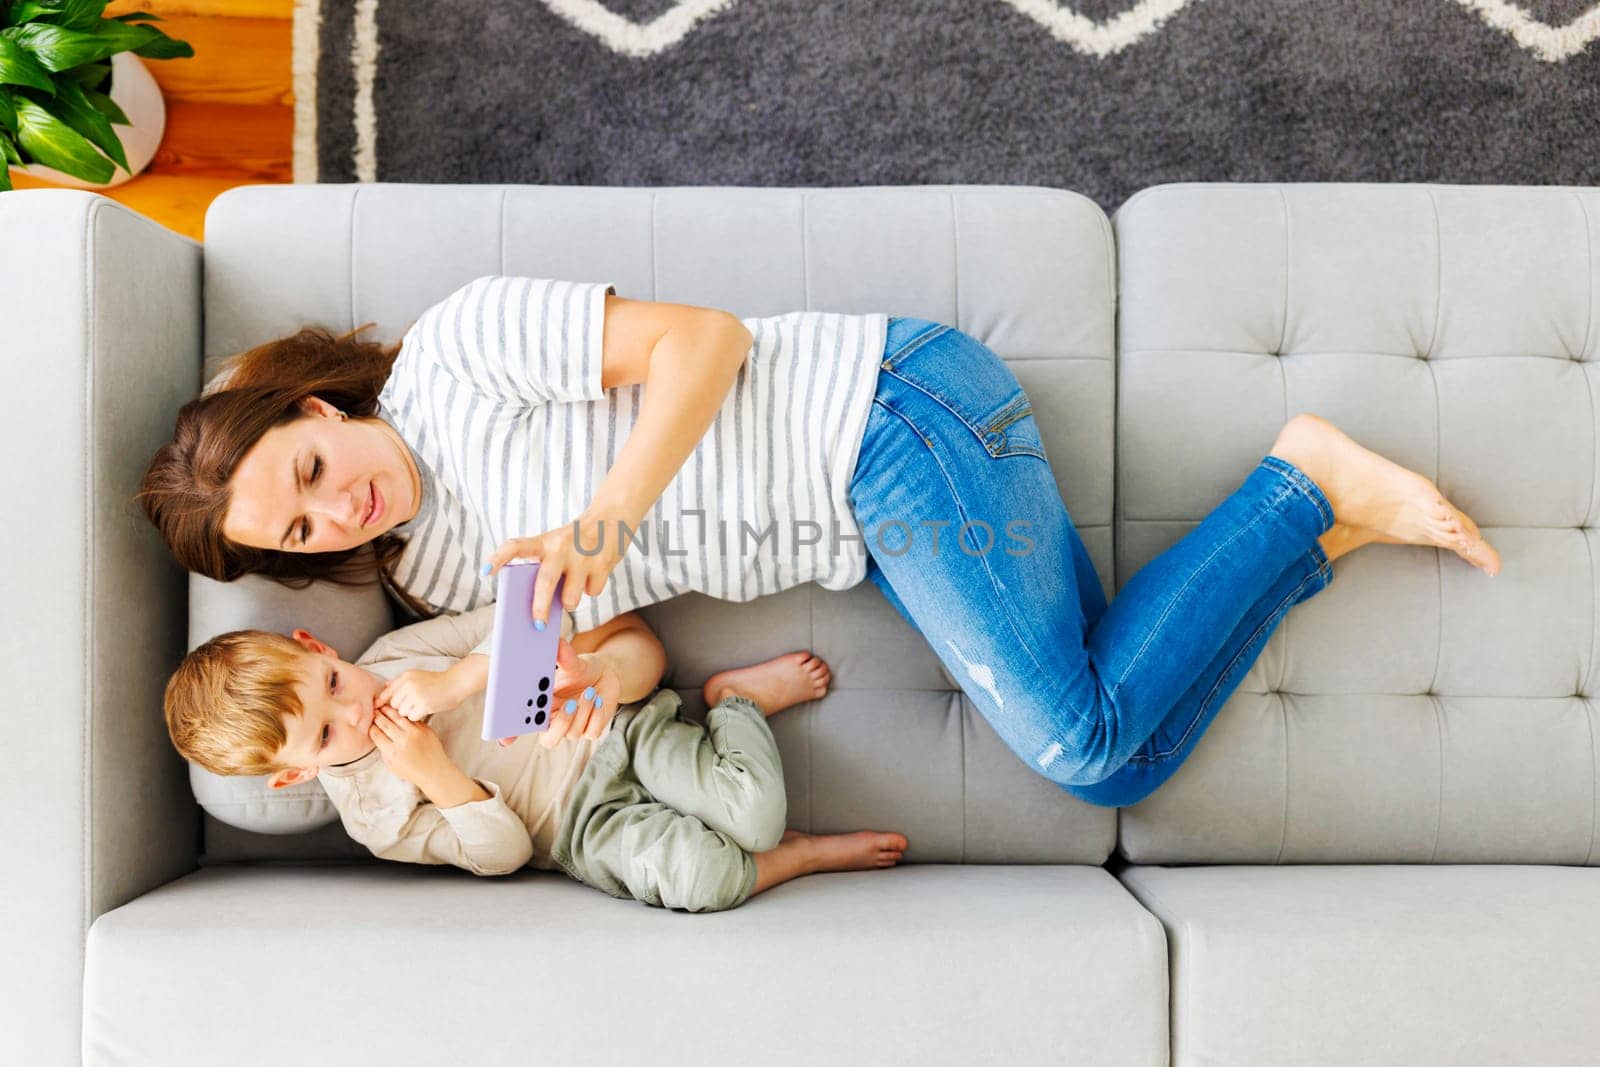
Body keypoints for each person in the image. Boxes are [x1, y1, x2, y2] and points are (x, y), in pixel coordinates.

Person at [138, 276, 1503, 806]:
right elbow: (623, 644)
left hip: (884, 417)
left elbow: (708, 342)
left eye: (311, 468)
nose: (340, 509)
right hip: (872, 517)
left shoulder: (455, 355)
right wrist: (561, 688)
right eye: (303, 531)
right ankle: (1317, 530)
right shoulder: (431, 575)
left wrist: (608, 513)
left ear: (315, 402)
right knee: (1115, 742)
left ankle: (1300, 487)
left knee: (1086, 748)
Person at [163, 601, 908, 911]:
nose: (356, 708)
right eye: (326, 733)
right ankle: (801, 857)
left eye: (332, 682)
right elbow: (504, 856)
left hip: (615, 729)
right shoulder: (374, 816)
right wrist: (439, 778)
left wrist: (457, 680)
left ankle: (735, 701)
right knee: (705, 880)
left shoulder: (399, 655)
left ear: (317, 647)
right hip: (579, 830)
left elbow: (535, 623)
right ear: (296, 772)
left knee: (754, 811)